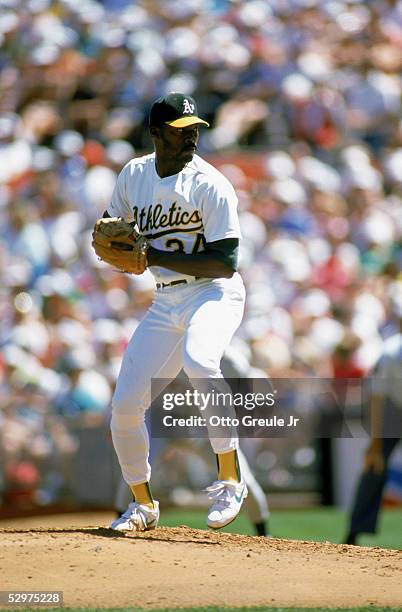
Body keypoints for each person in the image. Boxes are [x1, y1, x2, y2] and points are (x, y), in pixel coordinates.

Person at [98, 93, 248, 532]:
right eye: (181, 131)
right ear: (156, 133)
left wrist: (151, 253)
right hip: (166, 300)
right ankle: (142, 504)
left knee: (200, 361)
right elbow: (112, 229)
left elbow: (225, 262)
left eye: (196, 129)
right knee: (125, 406)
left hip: (214, 292)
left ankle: (230, 476)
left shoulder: (210, 183)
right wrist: (122, 251)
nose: (192, 138)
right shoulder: (134, 175)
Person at [343, 303, 402, 545]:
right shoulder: (389, 353)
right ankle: (354, 534)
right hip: (393, 409)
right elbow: (377, 399)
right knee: (373, 465)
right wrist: (375, 444)